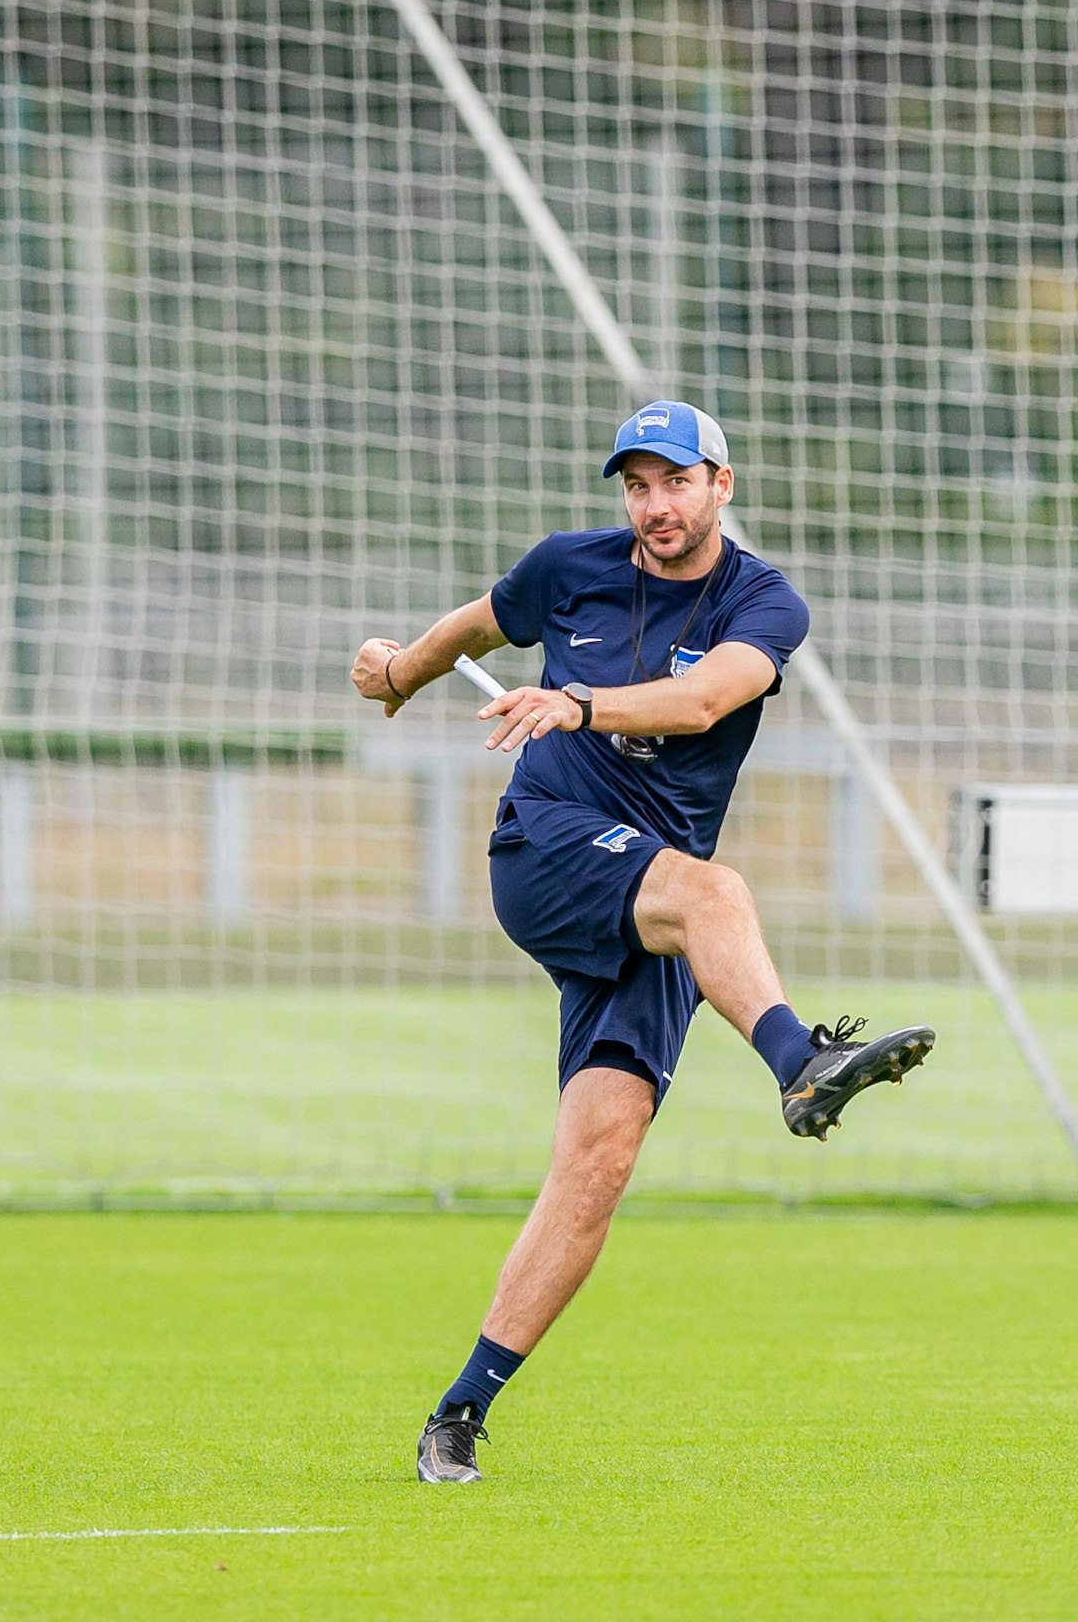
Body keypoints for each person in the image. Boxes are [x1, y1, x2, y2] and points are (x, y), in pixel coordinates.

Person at [350, 400, 934, 1484]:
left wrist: (577, 701)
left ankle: (458, 1413)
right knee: (715, 892)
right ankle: (801, 1065)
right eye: (636, 484)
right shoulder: (566, 566)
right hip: (550, 849)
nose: (654, 505)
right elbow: (476, 624)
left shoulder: (762, 600)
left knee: (596, 1168)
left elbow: (707, 699)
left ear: (722, 482)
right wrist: (398, 676)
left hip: (650, 904)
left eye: (674, 481)